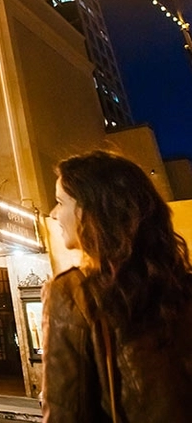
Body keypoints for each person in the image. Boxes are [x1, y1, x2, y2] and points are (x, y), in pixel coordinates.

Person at [42, 150, 192, 422]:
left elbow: (66, 413)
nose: (53, 214)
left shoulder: (73, 292)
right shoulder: (182, 285)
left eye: (60, 202)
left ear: (92, 210)